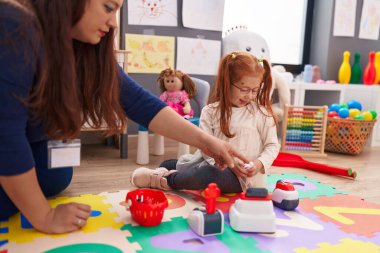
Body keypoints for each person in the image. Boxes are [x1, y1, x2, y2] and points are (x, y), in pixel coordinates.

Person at [0, 0, 248, 234]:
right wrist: (44, 217)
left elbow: (140, 103)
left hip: (30, 144)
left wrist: (209, 143)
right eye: (108, 7)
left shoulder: (81, 44)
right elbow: (6, 138)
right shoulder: (15, 24)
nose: (114, 23)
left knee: (57, 174)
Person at [131, 51, 280, 193]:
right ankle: (169, 170)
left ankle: (167, 180)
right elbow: (206, 148)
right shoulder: (210, 111)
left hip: (243, 179)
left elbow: (272, 145)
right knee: (169, 163)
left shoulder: (261, 114)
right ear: (227, 83)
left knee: (207, 174)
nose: (249, 96)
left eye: (255, 90)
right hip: (215, 165)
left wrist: (258, 164)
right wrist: (227, 163)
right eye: (244, 89)